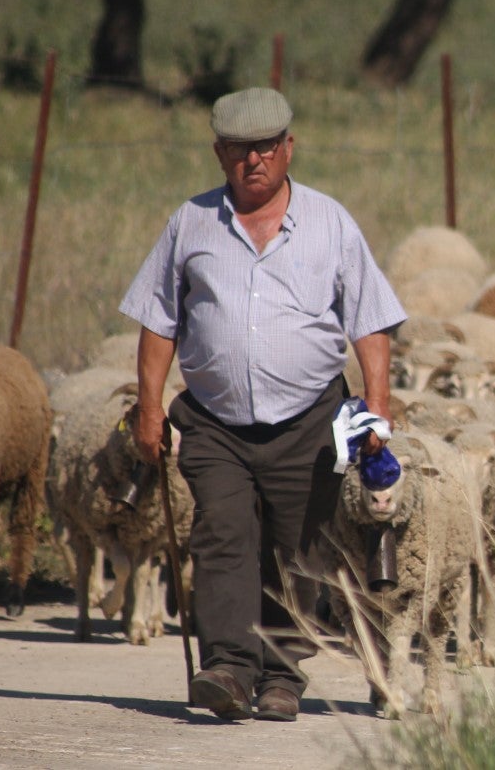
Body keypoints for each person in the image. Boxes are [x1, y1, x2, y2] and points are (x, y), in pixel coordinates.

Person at [119, 87, 406, 722]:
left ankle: (282, 674)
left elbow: (370, 321)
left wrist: (375, 410)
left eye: (267, 147)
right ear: (220, 155)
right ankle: (228, 667)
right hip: (216, 419)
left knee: (298, 548)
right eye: (240, 150)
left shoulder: (331, 223)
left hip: (308, 420)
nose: (255, 160)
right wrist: (149, 406)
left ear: (288, 148)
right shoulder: (191, 223)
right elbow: (158, 320)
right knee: (222, 535)